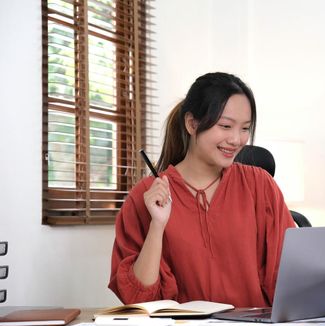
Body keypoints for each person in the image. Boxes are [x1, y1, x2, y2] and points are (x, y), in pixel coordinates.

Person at [108, 72, 295, 308]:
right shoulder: (145, 197)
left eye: (245, 128)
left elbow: (290, 278)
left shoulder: (261, 186)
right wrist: (157, 225)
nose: (237, 139)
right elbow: (137, 300)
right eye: (225, 126)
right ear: (191, 124)